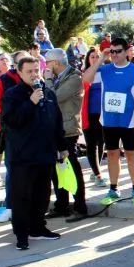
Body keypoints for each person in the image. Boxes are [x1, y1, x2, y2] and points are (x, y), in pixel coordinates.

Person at [1, 56, 67, 249]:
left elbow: (56, 121)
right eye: (29, 71)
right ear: (19, 72)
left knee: (42, 194)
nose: (33, 74)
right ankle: (22, 234)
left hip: (45, 153)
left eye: (36, 70)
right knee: (22, 196)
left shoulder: (48, 93)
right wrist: (30, 103)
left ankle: (38, 228)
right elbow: (10, 121)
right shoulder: (12, 95)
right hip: (23, 156)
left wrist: (62, 146)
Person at [82, 37, 134, 206]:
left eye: (117, 51)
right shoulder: (105, 69)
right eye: (111, 51)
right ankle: (113, 189)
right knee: (112, 154)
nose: (114, 54)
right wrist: (100, 58)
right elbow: (86, 79)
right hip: (109, 121)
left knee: (131, 155)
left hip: (129, 121)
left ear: (127, 51)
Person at [43, 49, 88, 222]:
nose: (46, 66)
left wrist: (47, 80)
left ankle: (80, 207)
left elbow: (53, 97)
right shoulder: (58, 78)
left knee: (71, 167)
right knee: (57, 169)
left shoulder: (74, 78)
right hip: (56, 128)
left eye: (48, 63)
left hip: (68, 129)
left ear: (55, 63)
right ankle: (62, 205)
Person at [0, 50, 29, 222]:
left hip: (30, 133)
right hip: (12, 132)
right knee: (12, 170)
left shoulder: (34, 81)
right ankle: (10, 205)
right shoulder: (5, 80)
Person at [81, 48, 107, 187]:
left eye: (98, 56)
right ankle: (98, 175)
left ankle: (95, 170)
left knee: (101, 143)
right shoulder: (84, 74)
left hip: (104, 114)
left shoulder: (106, 73)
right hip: (89, 115)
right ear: (88, 59)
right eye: (92, 56)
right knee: (91, 145)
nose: (95, 58)